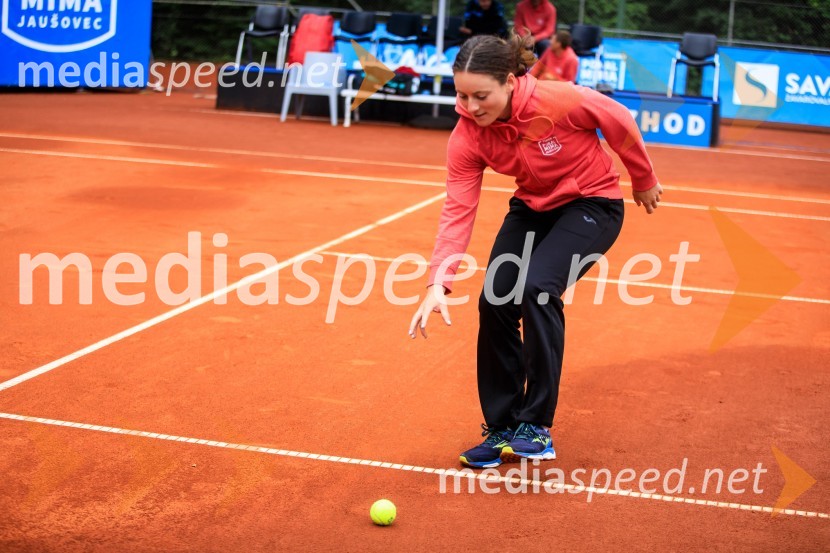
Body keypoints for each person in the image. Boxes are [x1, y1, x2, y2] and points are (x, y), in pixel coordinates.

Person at [408, 33, 662, 469]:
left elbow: (618, 119)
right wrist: (438, 282)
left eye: (481, 95)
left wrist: (642, 177)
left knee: (538, 289)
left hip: (592, 202)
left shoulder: (558, 100)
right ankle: (503, 427)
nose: (471, 107)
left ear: (509, 81)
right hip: (532, 206)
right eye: (462, 95)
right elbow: (458, 208)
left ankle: (536, 427)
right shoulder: (467, 136)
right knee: (496, 298)